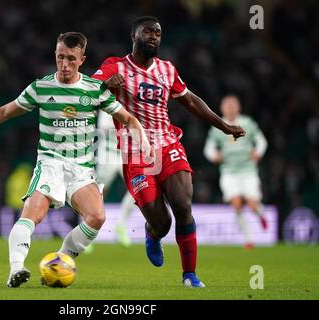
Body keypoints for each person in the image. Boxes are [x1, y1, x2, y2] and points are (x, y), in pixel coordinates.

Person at [0, 32, 152, 288]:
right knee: (33, 214)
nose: (64, 64)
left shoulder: (94, 89)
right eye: (60, 57)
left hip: (81, 169)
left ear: (82, 59)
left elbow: (129, 118)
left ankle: (61, 260)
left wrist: (141, 138)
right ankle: (16, 269)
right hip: (51, 164)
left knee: (97, 217)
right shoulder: (40, 87)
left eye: (71, 59)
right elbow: (5, 111)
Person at [92, 16, 246, 288]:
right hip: (135, 154)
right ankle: (153, 234)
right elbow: (89, 90)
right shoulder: (114, 66)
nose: (153, 36)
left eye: (158, 33)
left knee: (183, 205)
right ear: (134, 35)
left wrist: (223, 125)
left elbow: (189, 100)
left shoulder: (167, 69)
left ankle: (190, 275)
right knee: (161, 222)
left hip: (167, 145)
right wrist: (105, 85)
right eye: (147, 31)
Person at [204, 95, 268, 249]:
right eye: (227, 106)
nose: (230, 108)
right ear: (222, 108)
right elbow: (208, 148)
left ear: (238, 107)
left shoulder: (247, 123)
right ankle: (248, 240)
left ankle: (261, 215)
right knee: (237, 204)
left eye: (233, 105)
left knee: (253, 204)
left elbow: (261, 141)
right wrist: (214, 155)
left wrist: (258, 152)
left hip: (248, 170)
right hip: (229, 172)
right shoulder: (218, 126)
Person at [96, 110, 135, 247]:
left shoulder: (130, 102)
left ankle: (121, 225)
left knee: (137, 188)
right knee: (99, 192)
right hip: (107, 154)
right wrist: (129, 122)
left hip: (126, 154)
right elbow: (104, 129)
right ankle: (87, 229)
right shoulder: (108, 102)